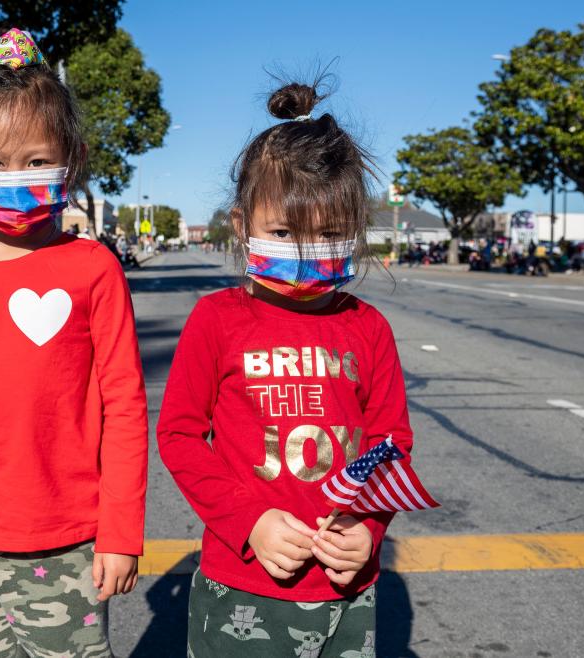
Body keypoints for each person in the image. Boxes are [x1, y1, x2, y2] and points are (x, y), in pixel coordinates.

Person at [0, 28, 148, 658]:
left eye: (37, 161)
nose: (16, 177)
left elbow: (124, 406)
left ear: (72, 155)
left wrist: (121, 533)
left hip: (70, 537)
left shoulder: (94, 267)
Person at [157, 80, 413, 657]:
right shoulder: (216, 319)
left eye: (327, 235)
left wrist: (367, 529)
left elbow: (390, 442)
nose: (304, 253)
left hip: (349, 592)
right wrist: (250, 521)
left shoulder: (367, 326)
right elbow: (178, 435)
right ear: (242, 224)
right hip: (241, 585)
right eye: (281, 232)